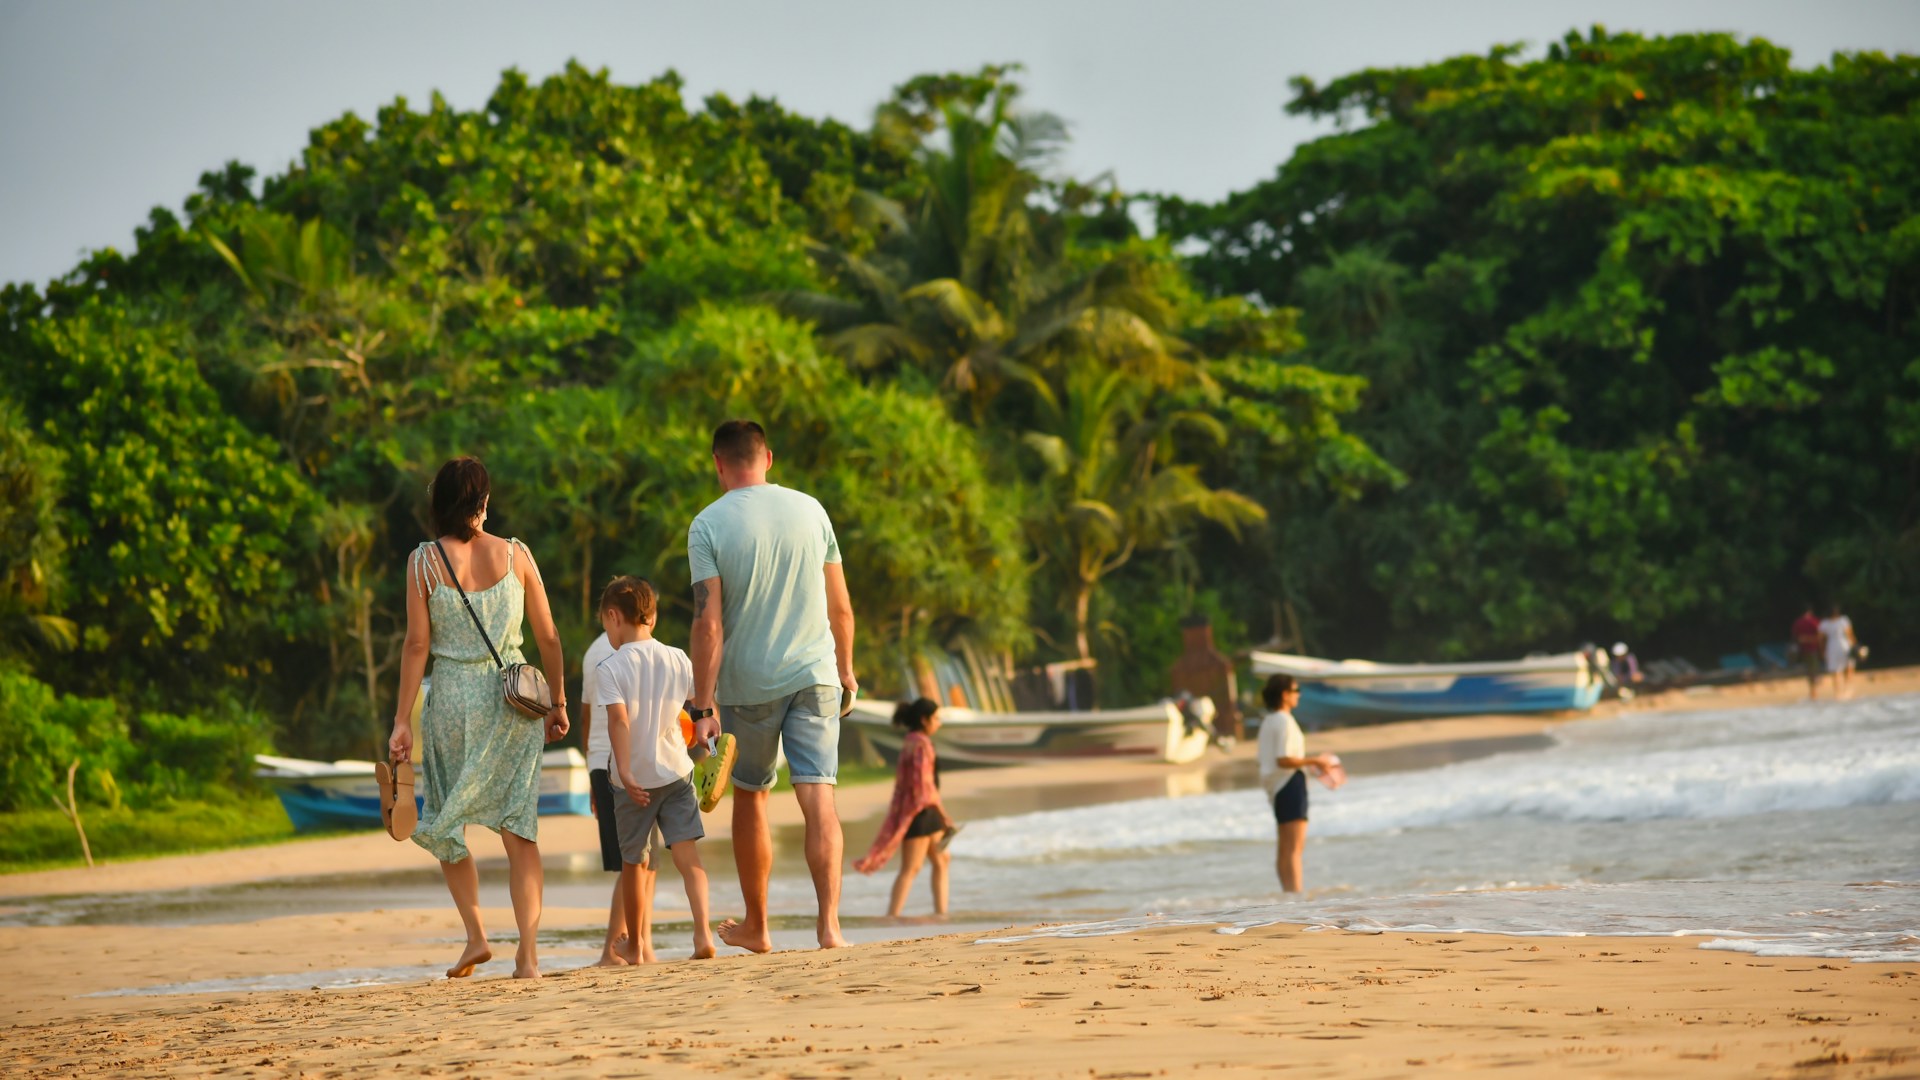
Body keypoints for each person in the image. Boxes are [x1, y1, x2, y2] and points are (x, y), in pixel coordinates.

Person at [388, 457, 568, 980]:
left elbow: (416, 645)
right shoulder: (517, 554)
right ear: (483, 502)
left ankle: (476, 936)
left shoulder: (423, 562)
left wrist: (402, 720)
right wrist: (557, 702)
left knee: (447, 823)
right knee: (519, 830)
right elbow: (549, 636)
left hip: (451, 701)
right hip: (513, 701)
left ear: (439, 502)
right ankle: (528, 955)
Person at [687, 419, 857, 952]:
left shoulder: (707, 525)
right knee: (819, 794)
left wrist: (702, 705)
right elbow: (841, 607)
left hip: (749, 684)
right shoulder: (812, 510)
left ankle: (758, 927)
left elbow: (708, 624)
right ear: (768, 459)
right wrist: (846, 670)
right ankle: (829, 927)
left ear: (719, 464)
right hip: (816, 674)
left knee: (752, 795)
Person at [596, 575, 716, 960]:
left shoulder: (610, 668)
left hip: (633, 783)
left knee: (635, 862)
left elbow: (619, 722)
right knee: (688, 858)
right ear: (653, 616)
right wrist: (705, 724)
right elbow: (699, 705)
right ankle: (703, 935)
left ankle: (636, 944)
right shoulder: (678, 657)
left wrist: (625, 772)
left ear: (613, 616)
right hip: (677, 772)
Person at [579, 625, 657, 966]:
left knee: (644, 863)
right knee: (636, 863)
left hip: (603, 763)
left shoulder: (593, 652)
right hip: (626, 765)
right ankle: (613, 950)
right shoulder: (631, 652)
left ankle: (642, 944)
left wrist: (591, 772)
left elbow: (586, 717)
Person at [853, 698, 955, 918]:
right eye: (936, 718)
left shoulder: (910, 741)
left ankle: (941, 914)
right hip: (921, 811)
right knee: (911, 868)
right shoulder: (922, 744)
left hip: (923, 810)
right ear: (924, 720)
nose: (939, 723)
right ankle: (892, 915)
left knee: (941, 860)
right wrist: (944, 815)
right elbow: (924, 786)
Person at [1257, 674, 1337, 893]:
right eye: (1296, 691)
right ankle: (1296, 897)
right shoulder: (1284, 721)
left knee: (1285, 847)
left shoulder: (1268, 721)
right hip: (1289, 782)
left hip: (1276, 787)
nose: (1299, 695)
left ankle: (1288, 896)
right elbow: (1284, 760)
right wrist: (1315, 761)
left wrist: (1308, 763)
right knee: (1294, 848)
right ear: (1285, 695)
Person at [1817, 603, 1857, 700]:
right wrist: (1855, 646)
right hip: (1844, 645)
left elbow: (1820, 639)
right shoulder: (1843, 621)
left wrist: (1822, 651)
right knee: (1848, 668)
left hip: (1832, 647)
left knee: (1835, 671)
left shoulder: (1824, 623)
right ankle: (1847, 689)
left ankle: (1838, 692)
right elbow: (1850, 635)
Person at [1791, 603, 1825, 699]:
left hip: (1803, 649)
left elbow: (1795, 637)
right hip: (1813, 648)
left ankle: (1812, 690)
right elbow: (1820, 636)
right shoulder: (1814, 621)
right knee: (1814, 669)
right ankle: (1814, 691)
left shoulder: (1798, 622)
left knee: (1809, 670)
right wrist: (1822, 649)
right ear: (1810, 611)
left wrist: (1803, 639)